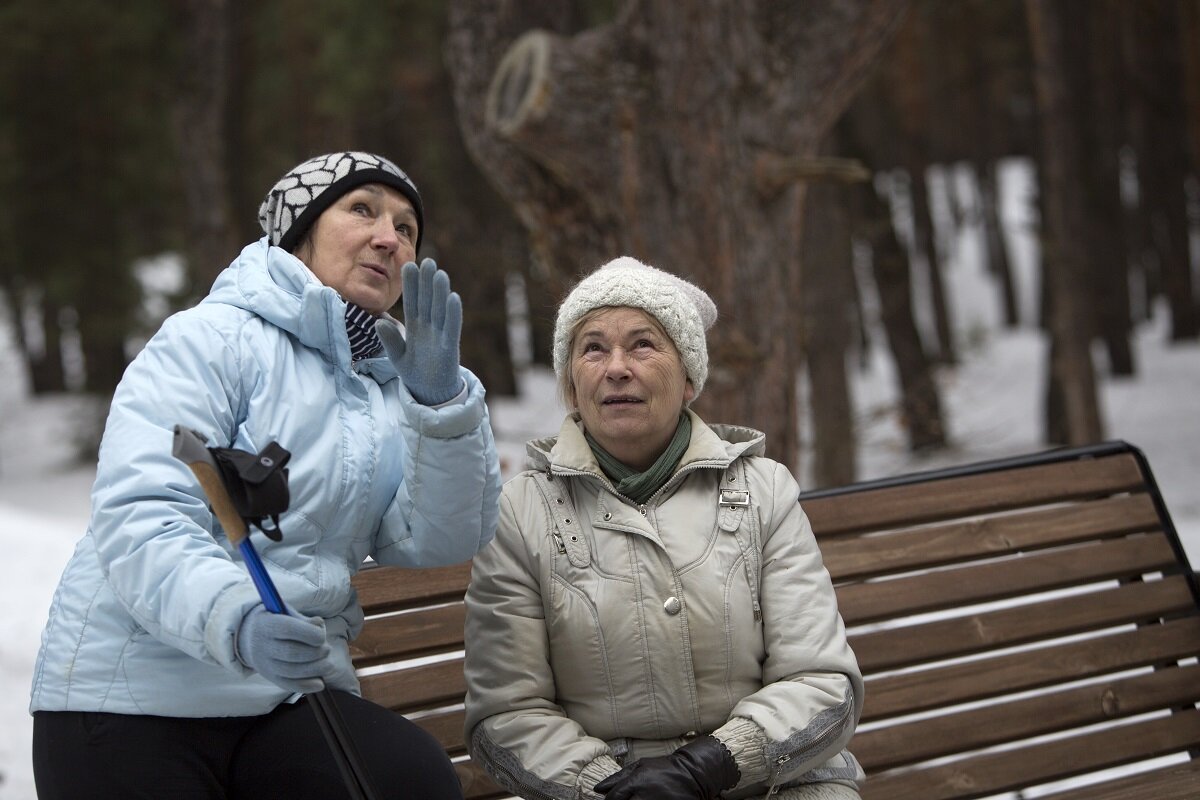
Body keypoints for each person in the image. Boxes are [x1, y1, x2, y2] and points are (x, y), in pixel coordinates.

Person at [29, 151, 502, 799]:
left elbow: (436, 539)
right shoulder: (209, 341)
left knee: (408, 778)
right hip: (134, 695)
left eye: (407, 228)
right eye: (362, 210)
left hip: (284, 701)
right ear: (299, 229)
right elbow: (141, 515)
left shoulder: (385, 386)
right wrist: (237, 621)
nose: (389, 238)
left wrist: (442, 406)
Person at [463, 257, 864, 800]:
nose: (617, 367)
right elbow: (507, 713)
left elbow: (820, 681)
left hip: (774, 782)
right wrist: (614, 790)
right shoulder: (520, 511)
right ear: (571, 383)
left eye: (643, 344)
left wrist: (708, 767)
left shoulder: (765, 491)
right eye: (594, 348)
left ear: (690, 378)